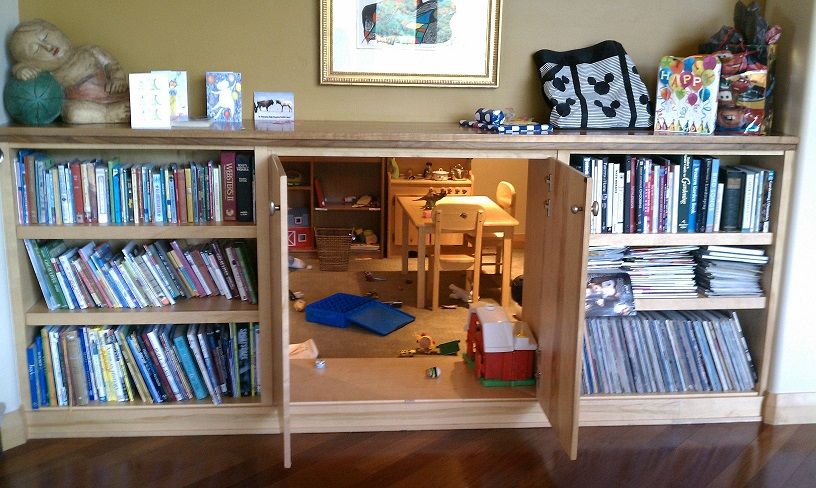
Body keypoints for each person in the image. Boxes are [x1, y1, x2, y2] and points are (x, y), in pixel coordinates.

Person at [9, 19, 130, 124]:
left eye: (45, 37)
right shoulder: (50, 78)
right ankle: (109, 115)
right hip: (91, 111)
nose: (48, 47)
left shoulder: (90, 51)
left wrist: (118, 78)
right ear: (33, 65)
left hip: (117, 96)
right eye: (36, 50)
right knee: (71, 112)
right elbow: (25, 82)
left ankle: (125, 110)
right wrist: (19, 69)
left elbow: (112, 65)